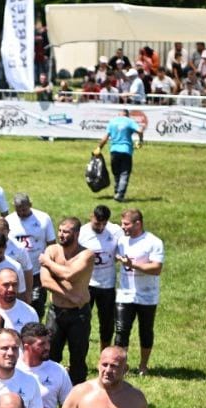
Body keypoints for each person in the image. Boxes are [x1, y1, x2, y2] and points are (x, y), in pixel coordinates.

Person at [38, 217, 95, 384]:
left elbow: (70, 274)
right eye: (60, 231)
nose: (61, 235)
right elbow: (46, 281)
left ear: (76, 234)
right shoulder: (52, 250)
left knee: (78, 356)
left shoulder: (87, 255)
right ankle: (50, 388)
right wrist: (70, 296)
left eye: (66, 232)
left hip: (79, 314)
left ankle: (76, 394)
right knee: (49, 355)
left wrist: (48, 263)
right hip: (56, 312)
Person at [114, 209, 164, 375]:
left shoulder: (153, 242)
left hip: (147, 295)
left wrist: (132, 265)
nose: (123, 227)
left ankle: (143, 365)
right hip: (125, 294)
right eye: (122, 223)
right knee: (121, 330)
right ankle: (122, 366)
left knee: (146, 330)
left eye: (126, 224)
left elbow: (156, 268)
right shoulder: (121, 241)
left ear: (138, 223)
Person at [79, 205, 122, 352]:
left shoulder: (115, 231)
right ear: (91, 216)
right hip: (87, 284)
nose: (100, 227)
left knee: (107, 323)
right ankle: (79, 354)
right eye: (97, 223)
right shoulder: (82, 232)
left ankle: (104, 354)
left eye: (104, 224)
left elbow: (121, 252)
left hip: (107, 285)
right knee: (82, 321)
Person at [5, 194, 56, 318]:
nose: (21, 212)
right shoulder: (8, 221)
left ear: (30, 204)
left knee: (37, 303)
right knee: (15, 303)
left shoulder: (43, 219)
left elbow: (51, 244)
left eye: (24, 208)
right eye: (18, 209)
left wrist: (50, 267)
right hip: (16, 272)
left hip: (37, 271)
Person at [18, 323, 72, 408]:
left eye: (48, 342)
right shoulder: (14, 369)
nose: (47, 347)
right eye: (41, 344)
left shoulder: (58, 371)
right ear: (27, 347)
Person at [95, 108, 144, 203]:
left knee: (116, 173)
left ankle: (117, 191)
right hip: (126, 150)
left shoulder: (112, 122)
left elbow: (105, 137)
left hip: (114, 151)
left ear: (118, 114)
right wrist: (140, 141)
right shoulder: (130, 121)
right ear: (127, 115)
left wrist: (99, 148)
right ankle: (120, 194)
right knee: (124, 173)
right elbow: (140, 131)